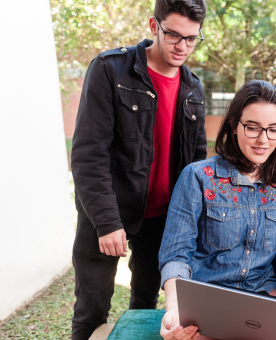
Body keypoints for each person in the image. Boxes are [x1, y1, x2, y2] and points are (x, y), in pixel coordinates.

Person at [70, 0, 208, 338]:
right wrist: (107, 222)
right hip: (107, 213)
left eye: (192, 39)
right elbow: (89, 154)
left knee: (145, 306)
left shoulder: (193, 88)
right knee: (91, 310)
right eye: (174, 35)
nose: (182, 47)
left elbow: (197, 162)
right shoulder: (109, 69)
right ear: (153, 25)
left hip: (161, 219)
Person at [158, 80, 276, 340]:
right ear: (234, 126)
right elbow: (176, 254)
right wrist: (175, 308)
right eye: (253, 128)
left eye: (272, 130)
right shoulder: (198, 177)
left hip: (263, 294)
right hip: (208, 295)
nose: (263, 139)